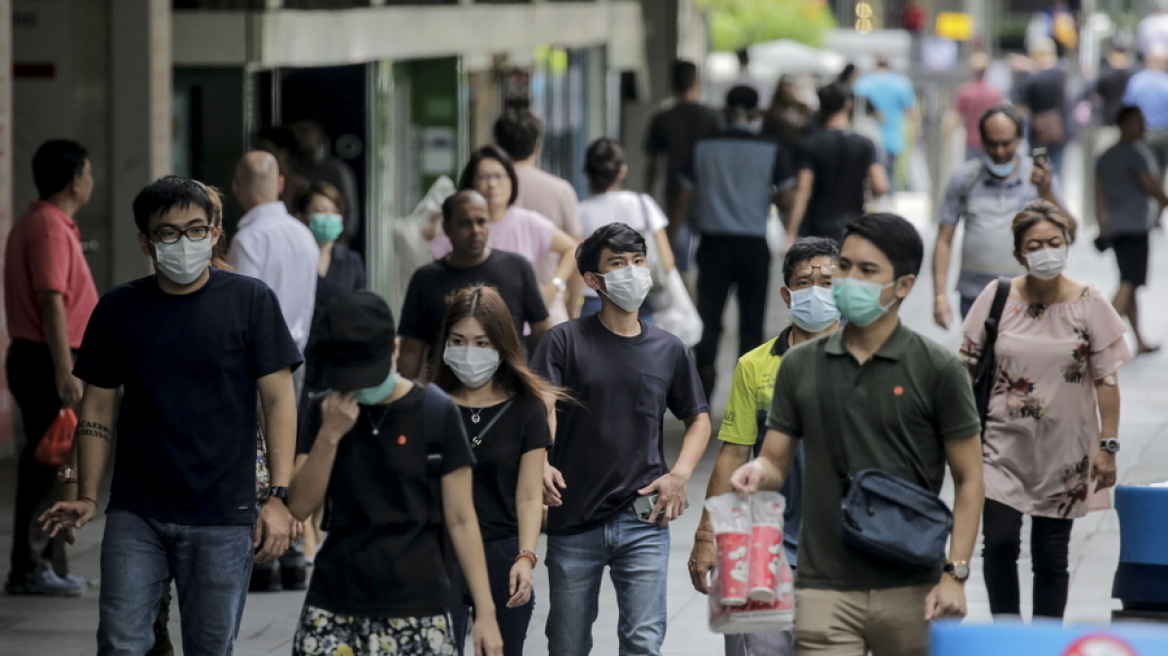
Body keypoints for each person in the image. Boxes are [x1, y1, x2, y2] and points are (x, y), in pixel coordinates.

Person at [39, 175, 302, 654]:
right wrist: (85, 491)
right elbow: (96, 406)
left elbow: (279, 400)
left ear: (215, 232)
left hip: (224, 512)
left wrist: (279, 496)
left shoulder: (250, 301)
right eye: (168, 233)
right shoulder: (120, 309)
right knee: (120, 643)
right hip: (138, 510)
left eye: (196, 229)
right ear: (146, 241)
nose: (184, 242)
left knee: (209, 646)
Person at [731, 212, 984, 656]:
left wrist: (955, 573)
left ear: (903, 285)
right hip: (824, 585)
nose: (848, 281)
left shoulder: (938, 369)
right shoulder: (799, 365)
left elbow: (970, 479)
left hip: (909, 583)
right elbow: (774, 459)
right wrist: (756, 472)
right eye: (845, 266)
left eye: (867, 271)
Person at [287, 290, 503, 656]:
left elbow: (462, 518)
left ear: (395, 350)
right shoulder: (324, 410)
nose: (359, 385)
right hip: (334, 600)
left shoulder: (436, 413)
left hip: (416, 605)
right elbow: (298, 506)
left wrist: (485, 612)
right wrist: (329, 436)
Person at [530, 223, 711, 655]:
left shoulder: (669, 349)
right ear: (593, 280)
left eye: (638, 262)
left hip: (644, 518)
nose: (632, 271)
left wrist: (680, 474)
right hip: (574, 516)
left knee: (643, 642)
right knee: (567, 644)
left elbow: (699, 419)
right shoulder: (563, 341)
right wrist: (538, 459)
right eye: (618, 263)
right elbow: (538, 406)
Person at [959, 200, 1131, 619]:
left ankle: (1046, 638)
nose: (1046, 251)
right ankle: (1006, 634)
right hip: (1000, 446)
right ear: (1019, 253)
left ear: (1068, 245)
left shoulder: (1090, 303)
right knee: (998, 545)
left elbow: (1107, 378)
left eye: (1054, 242)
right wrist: (960, 434)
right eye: (1035, 244)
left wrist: (1107, 446)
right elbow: (966, 364)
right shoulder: (998, 296)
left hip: (1065, 453)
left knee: (1051, 555)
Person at [687, 237, 841, 656]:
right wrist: (706, 536)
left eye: (828, 282)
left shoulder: (867, 360)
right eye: (804, 282)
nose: (816, 291)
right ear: (786, 294)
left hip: (843, 550)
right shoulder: (755, 365)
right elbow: (734, 453)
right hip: (761, 545)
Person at [429, 285, 557, 656]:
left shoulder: (528, 410)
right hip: (438, 554)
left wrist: (526, 556)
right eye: (459, 340)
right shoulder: (427, 405)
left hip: (503, 554)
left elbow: (530, 494)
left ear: (502, 344)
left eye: (482, 343)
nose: (470, 352)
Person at [4, 139, 97, 596]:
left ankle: (49, 565)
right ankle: (30, 565)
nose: (91, 181)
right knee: (47, 464)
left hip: (47, 356)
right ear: (74, 178)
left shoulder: (51, 224)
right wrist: (65, 368)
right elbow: (51, 300)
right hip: (48, 358)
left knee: (57, 463)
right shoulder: (47, 228)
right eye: (88, 172)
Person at [674, 85, 797, 400]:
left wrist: (673, 242)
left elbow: (682, 199)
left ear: (725, 112)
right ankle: (748, 398)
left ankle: (703, 396)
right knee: (752, 324)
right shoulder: (772, 147)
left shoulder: (701, 147)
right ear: (757, 113)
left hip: (712, 244)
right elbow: (786, 199)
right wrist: (759, 194)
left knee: (709, 320)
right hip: (753, 245)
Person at [933, 104, 1070, 328]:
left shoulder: (1038, 178)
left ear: (1019, 139)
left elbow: (1070, 229)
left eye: (1006, 143)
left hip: (1027, 295)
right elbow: (943, 240)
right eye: (991, 144)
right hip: (974, 295)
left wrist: (1046, 193)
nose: (999, 152)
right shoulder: (964, 179)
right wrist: (939, 297)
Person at [289, 179, 367, 569]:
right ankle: (302, 535)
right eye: (319, 210)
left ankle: (320, 530)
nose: (327, 218)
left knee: (332, 446)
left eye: (333, 210)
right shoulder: (296, 256)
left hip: (337, 367)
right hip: (301, 362)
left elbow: (361, 311)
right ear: (302, 216)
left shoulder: (350, 261)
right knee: (300, 447)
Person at [399, 191, 551, 380]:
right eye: (465, 223)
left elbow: (542, 333)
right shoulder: (426, 279)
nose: (475, 230)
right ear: (447, 228)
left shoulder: (517, 268)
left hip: (508, 389)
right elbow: (411, 349)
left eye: (481, 222)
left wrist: (542, 387)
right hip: (446, 392)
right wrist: (402, 399)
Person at [429, 146, 579, 315]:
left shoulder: (528, 222)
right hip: (468, 327)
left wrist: (555, 285)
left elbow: (572, 248)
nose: (492, 184)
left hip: (522, 328)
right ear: (471, 182)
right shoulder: (458, 226)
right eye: (482, 177)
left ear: (511, 181)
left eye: (499, 176)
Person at [227, 150, 320, 399]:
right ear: (280, 184)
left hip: (254, 367)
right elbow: (307, 305)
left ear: (236, 186)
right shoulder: (304, 234)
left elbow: (238, 311)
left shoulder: (247, 240)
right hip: (295, 358)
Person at [494, 107, 584, 323]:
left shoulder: (486, 191)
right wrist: (573, 304)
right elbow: (576, 251)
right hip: (548, 306)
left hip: (494, 313)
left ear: (497, 146)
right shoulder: (561, 190)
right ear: (537, 147)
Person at [578, 138, 675, 319]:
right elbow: (666, 261)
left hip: (593, 300)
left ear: (585, 172)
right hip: (638, 301)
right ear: (622, 171)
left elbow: (575, 269)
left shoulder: (579, 212)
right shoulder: (643, 205)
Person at [1096, 106, 1166, 355]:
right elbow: (1152, 187)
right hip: (1134, 227)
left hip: (1116, 227)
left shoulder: (1106, 155)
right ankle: (1102, 337)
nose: (1143, 127)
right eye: (1138, 122)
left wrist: (1103, 227)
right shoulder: (1137, 155)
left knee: (1130, 281)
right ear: (1124, 124)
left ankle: (1139, 339)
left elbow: (1098, 195)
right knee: (1129, 282)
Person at [785, 82, 888, 244]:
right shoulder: (865, 144)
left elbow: (803, 191)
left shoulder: (810, 144)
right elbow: (881, 186)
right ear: (848, 105)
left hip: (816, 227)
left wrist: (790, 232)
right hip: (852, 226)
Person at [644, 60, 724, 269]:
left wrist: (649, 193)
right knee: (708, 241)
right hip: (707, 189)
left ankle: (683, 281)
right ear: (697, 83)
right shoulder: (712, 117)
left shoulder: (662, 118)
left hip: (674, 188)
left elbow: (653, 163)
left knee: (677, 241)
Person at [289, 120, 362, 240]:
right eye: (296, 132)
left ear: (319, 136)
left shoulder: (336, 169)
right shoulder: (293, 169)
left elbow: (350, 208)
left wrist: (344, 237)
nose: (300, 137)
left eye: (305, 132)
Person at [854, 54, 918, 184]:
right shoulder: (901, 84)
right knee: (888, 178)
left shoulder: (862, 83)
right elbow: (912, 113)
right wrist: (917, 135)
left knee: (865, 179)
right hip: (892, 140)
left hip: (865, 138)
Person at [1018, 39, 1071, 177]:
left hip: (1038, 131)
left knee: (1038, 172)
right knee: (1057, 173)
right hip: (1060, 128)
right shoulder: (1064, 74)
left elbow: (1023, 109)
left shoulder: (1032, 78)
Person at [945, 52, 1005, 161]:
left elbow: (954, 118)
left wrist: (946, 135)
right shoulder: (994, 93)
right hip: (990, 141)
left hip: (971, 142)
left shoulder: (965, 92)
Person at [1122, 47, 1168, 177]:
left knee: (1143, 169)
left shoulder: (1137, 81)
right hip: (1164, 132)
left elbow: (1128, 107)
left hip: (1143, 132)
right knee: (1160, 169)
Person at [762, 75, 814, 146]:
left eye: (790, 86)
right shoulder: (773, 110)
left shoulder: (802, 107)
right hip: (777, 144)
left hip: (798, 146)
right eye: (784, 86)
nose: (787, 90)